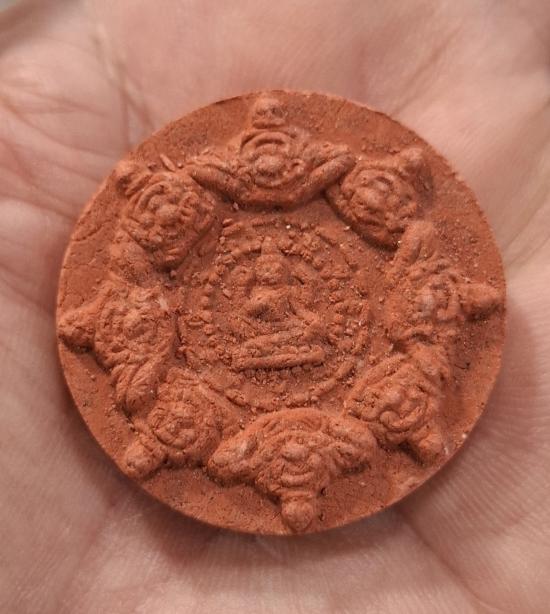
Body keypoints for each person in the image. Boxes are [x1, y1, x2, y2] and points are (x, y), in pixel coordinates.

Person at [1, 1, 549, 612]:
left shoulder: (318, 281)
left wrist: (302, 318)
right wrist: (262, 317)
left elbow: (303, 322)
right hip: (250, 354)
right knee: (272, 338)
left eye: (276, 271)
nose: (270, 279)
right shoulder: (226, 292)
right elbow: (252, 319)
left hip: (303, 345)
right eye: (265, 272)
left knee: (300, 336)